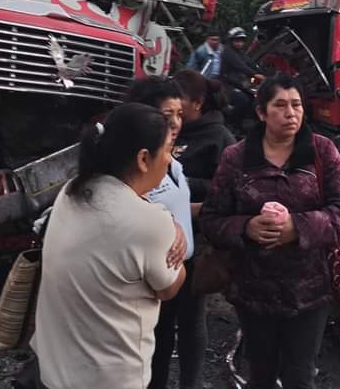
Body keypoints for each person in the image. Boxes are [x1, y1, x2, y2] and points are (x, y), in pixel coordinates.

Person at [200, 73, 340, 389]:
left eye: (297, 105)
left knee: (300, 377)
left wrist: (297, 228)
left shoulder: (322, 152)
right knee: (261, 376)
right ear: (261, 112)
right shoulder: (237, 157)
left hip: (309, 291)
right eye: (281, 105)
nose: (291, 113)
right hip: (253, 291)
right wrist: (246, 227)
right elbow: (212, 218)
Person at [32, 103, 185, 389]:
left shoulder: (72, 191)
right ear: (143, 159)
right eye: (167, 149)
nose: (170, 159)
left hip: (53, 371)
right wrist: (179, 236)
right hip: (110, 379)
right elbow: (168, 288)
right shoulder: (150, 221)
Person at [124, 77, 200, 389]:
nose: (176, 122)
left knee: (164, 345)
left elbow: (178, 208)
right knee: (143, 353)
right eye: (167, 115)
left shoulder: (172, 163)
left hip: (180, 272)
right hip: (150, 279)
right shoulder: (136, 165)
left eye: (180, 114)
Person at [171, 69, 237, 211]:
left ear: (197, 103)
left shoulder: (220, 139)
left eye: (178, 97)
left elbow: (230, 188)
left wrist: (183, 182)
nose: (172, 103)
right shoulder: (165, 129)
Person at [220, 27, 263, 129]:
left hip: (238, 84)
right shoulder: (228, 52)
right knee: (242, 100)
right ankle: (232, 125)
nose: (239, 43)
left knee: (254, 99)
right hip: (227, 85)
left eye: (241, 41)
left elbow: (250, 63)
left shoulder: (241, 53)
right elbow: (240, 66)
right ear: (231, 40)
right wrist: (254, 74)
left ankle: (245, 124)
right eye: (236, 40)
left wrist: (261, 72)